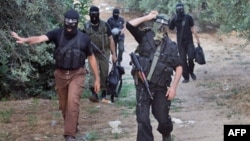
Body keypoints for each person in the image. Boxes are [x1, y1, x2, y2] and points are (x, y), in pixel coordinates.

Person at [11, 9, 100, 141]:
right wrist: (25, 40)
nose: (69, 26)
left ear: (76, 23)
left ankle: (69, 135)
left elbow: (91, 58)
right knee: (64, 105)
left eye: (72, 23)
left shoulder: (84, 38)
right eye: (67, 22)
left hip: (78, 74)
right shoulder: (57, 33)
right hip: (61, 74)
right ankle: (72, 125)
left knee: (72, 102)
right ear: (64, 21)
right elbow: (40, 38)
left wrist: (97, 79)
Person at [126, 11, 183, 141]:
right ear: (153, 24)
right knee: (143, 119)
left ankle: (166, 133)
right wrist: (148, 17)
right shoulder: (145, 37)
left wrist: (173, 87)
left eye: (163, 25)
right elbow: (129, 25)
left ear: (167, 27)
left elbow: (179, 66)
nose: (161, 28)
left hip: (161, 89)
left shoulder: (171, 46)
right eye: (158, 24)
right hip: (143, 86)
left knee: (162, 118)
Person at [83, 6, 117, 103]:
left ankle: (104, 92)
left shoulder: (105, 25)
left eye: (96, 13)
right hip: (92, 54)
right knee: (93, 72)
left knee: (104, 73)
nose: (94, 16)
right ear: (89, 14)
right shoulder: (86, 26)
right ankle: (94, 93)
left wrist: (114, 54)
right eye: (92, 13)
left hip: (104, 53)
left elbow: (111, 39)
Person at [169, 3, 200, 83]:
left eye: (181, 9)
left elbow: (193, 28)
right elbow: (170, 28)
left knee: (191, 58)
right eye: (178, 9)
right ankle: (186, 77)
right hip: (180, 43)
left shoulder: (188, 17)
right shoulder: (175, 19)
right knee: (182, 61)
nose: (180, 10)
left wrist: (197, 39)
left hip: (189, 41)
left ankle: (191, 72)